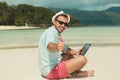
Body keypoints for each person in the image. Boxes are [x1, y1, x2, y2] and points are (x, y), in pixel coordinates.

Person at [39, 11, 94, 79]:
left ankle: (77, 72)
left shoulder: (55, 32)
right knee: (83, 59)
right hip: (51, 72)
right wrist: (57, 47)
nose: (63, 25)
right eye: (60, 22)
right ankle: (78, 73)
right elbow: (49, 45)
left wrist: (76, 52)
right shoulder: (51, 33)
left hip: (46, 69)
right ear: (54, 22)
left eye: (65, 24)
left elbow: (66, 49)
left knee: (69, 55)